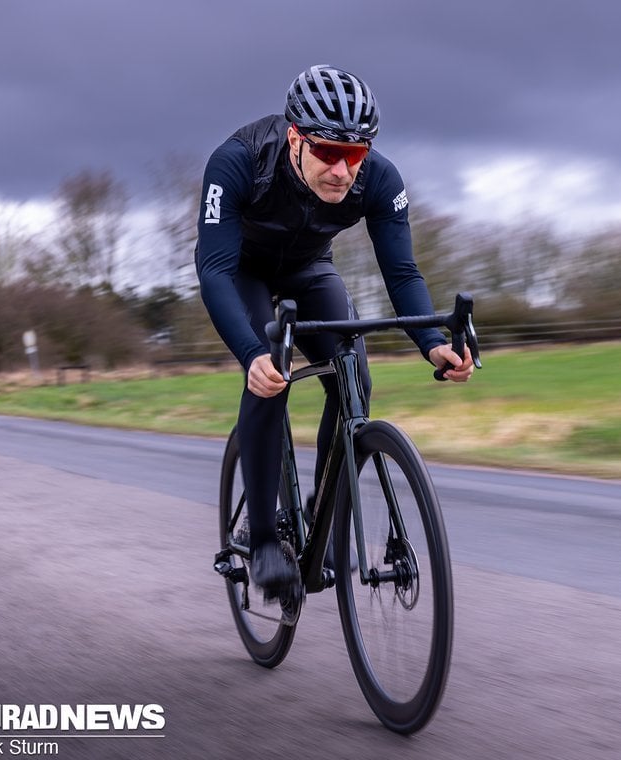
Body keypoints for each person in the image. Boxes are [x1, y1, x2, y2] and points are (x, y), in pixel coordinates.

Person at [195, 64, 474, 600]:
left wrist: (434, 344)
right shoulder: (238, 162)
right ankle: (266, 533)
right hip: (242, 271)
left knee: (355, 382)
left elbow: (402, 273)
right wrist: (252, 351)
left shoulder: (381, 179)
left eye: (356, 155)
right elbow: (214, 271)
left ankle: (320, 515)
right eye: (328, 153)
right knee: (270, 374)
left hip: (308, 268)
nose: (343, 171)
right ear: (295, 138)